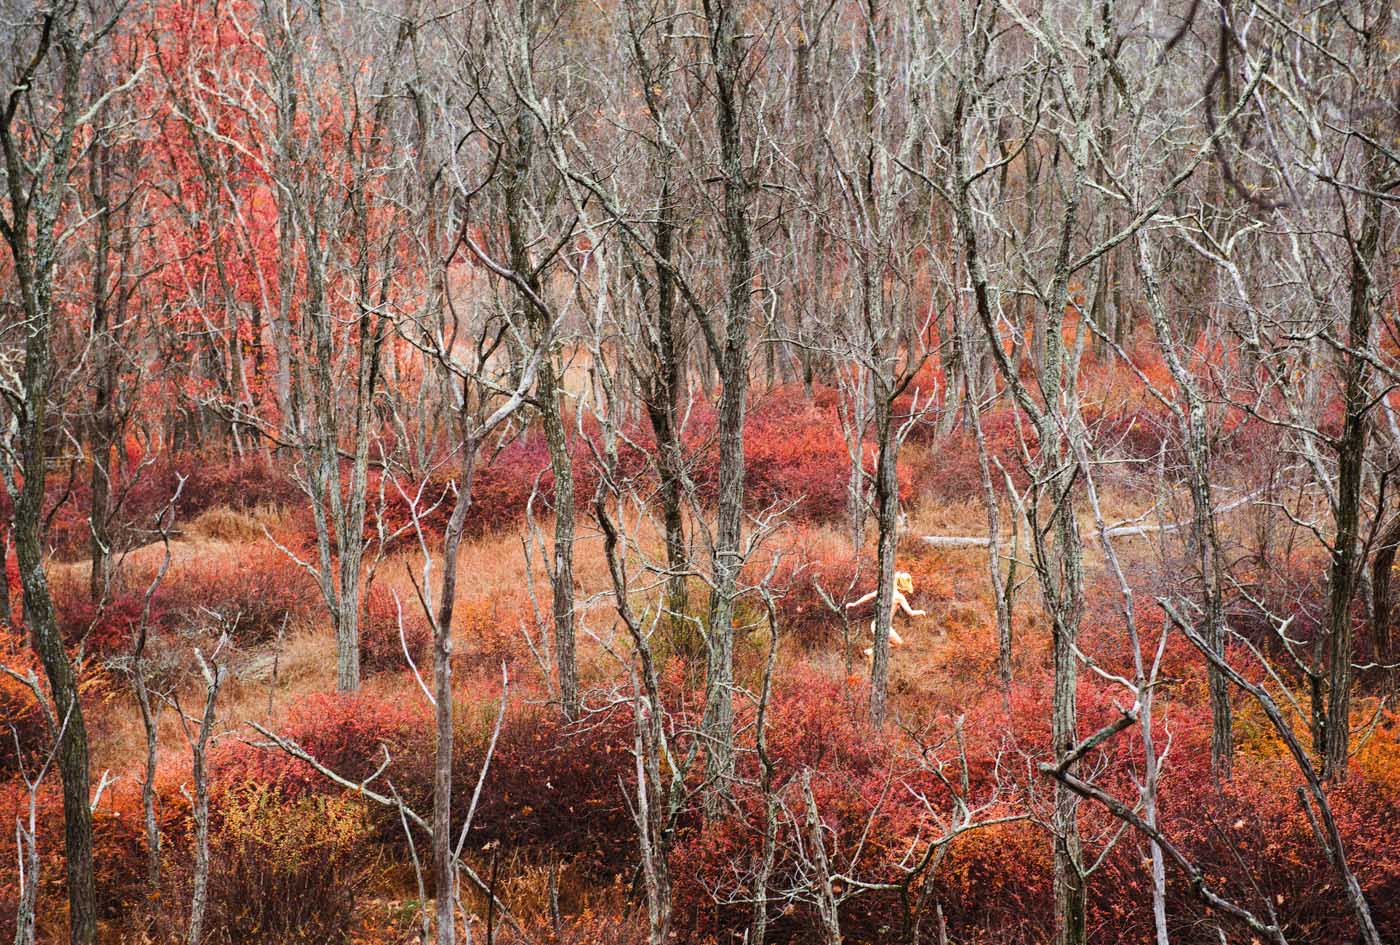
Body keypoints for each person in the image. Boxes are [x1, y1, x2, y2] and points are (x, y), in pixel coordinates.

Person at [846, 571, 926, 659]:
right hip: (883, 627)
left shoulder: (885, 590)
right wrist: (920, 612)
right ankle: (872, 651)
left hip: (875, 624)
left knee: (890, 644)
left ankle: (872, 653)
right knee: (898, 643)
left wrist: (854, 604)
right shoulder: (899, 597)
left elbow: (868, 596)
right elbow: (911, 613)